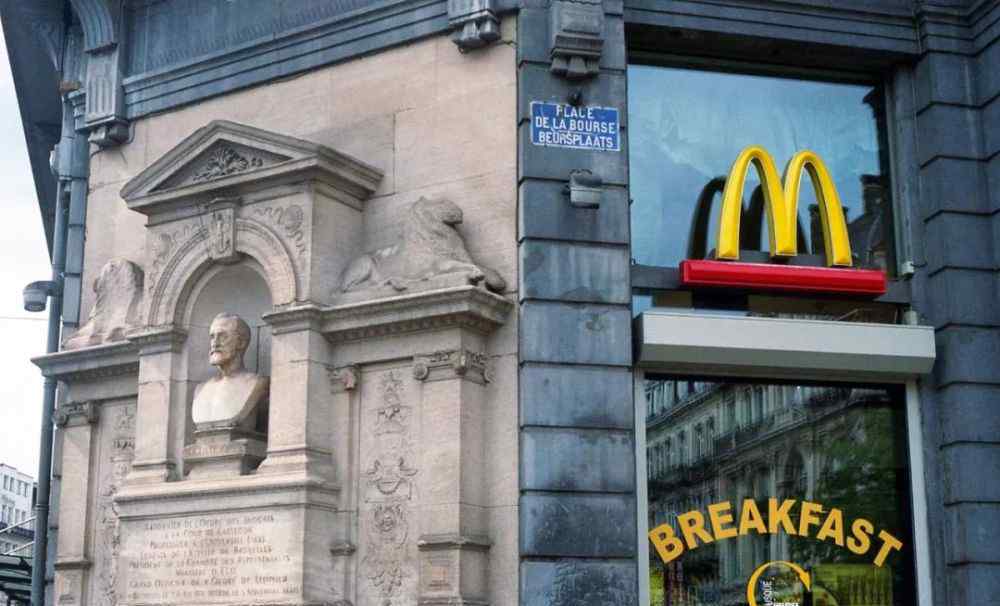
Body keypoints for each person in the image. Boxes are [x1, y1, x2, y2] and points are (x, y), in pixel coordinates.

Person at [192, 312, 269, 428]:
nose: (215, 343)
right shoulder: (200, 389)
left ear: (241, 343)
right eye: (212, 337)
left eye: (222, 336)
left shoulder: (258, 383)